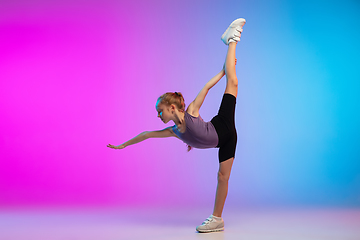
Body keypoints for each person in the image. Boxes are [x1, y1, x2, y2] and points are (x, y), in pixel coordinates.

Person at [107, 18, 246, 233]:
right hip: (228, 140)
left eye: (159, 110)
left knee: (232, 81)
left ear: (172, 108)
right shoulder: (174, 132)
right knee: (222, 177)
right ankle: (217, 219)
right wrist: (123, 145)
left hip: (223, 124)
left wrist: (223, 71)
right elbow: (146, 135)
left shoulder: (191, 111)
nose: (158, 115)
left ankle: (232, 39)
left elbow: (207, 87)